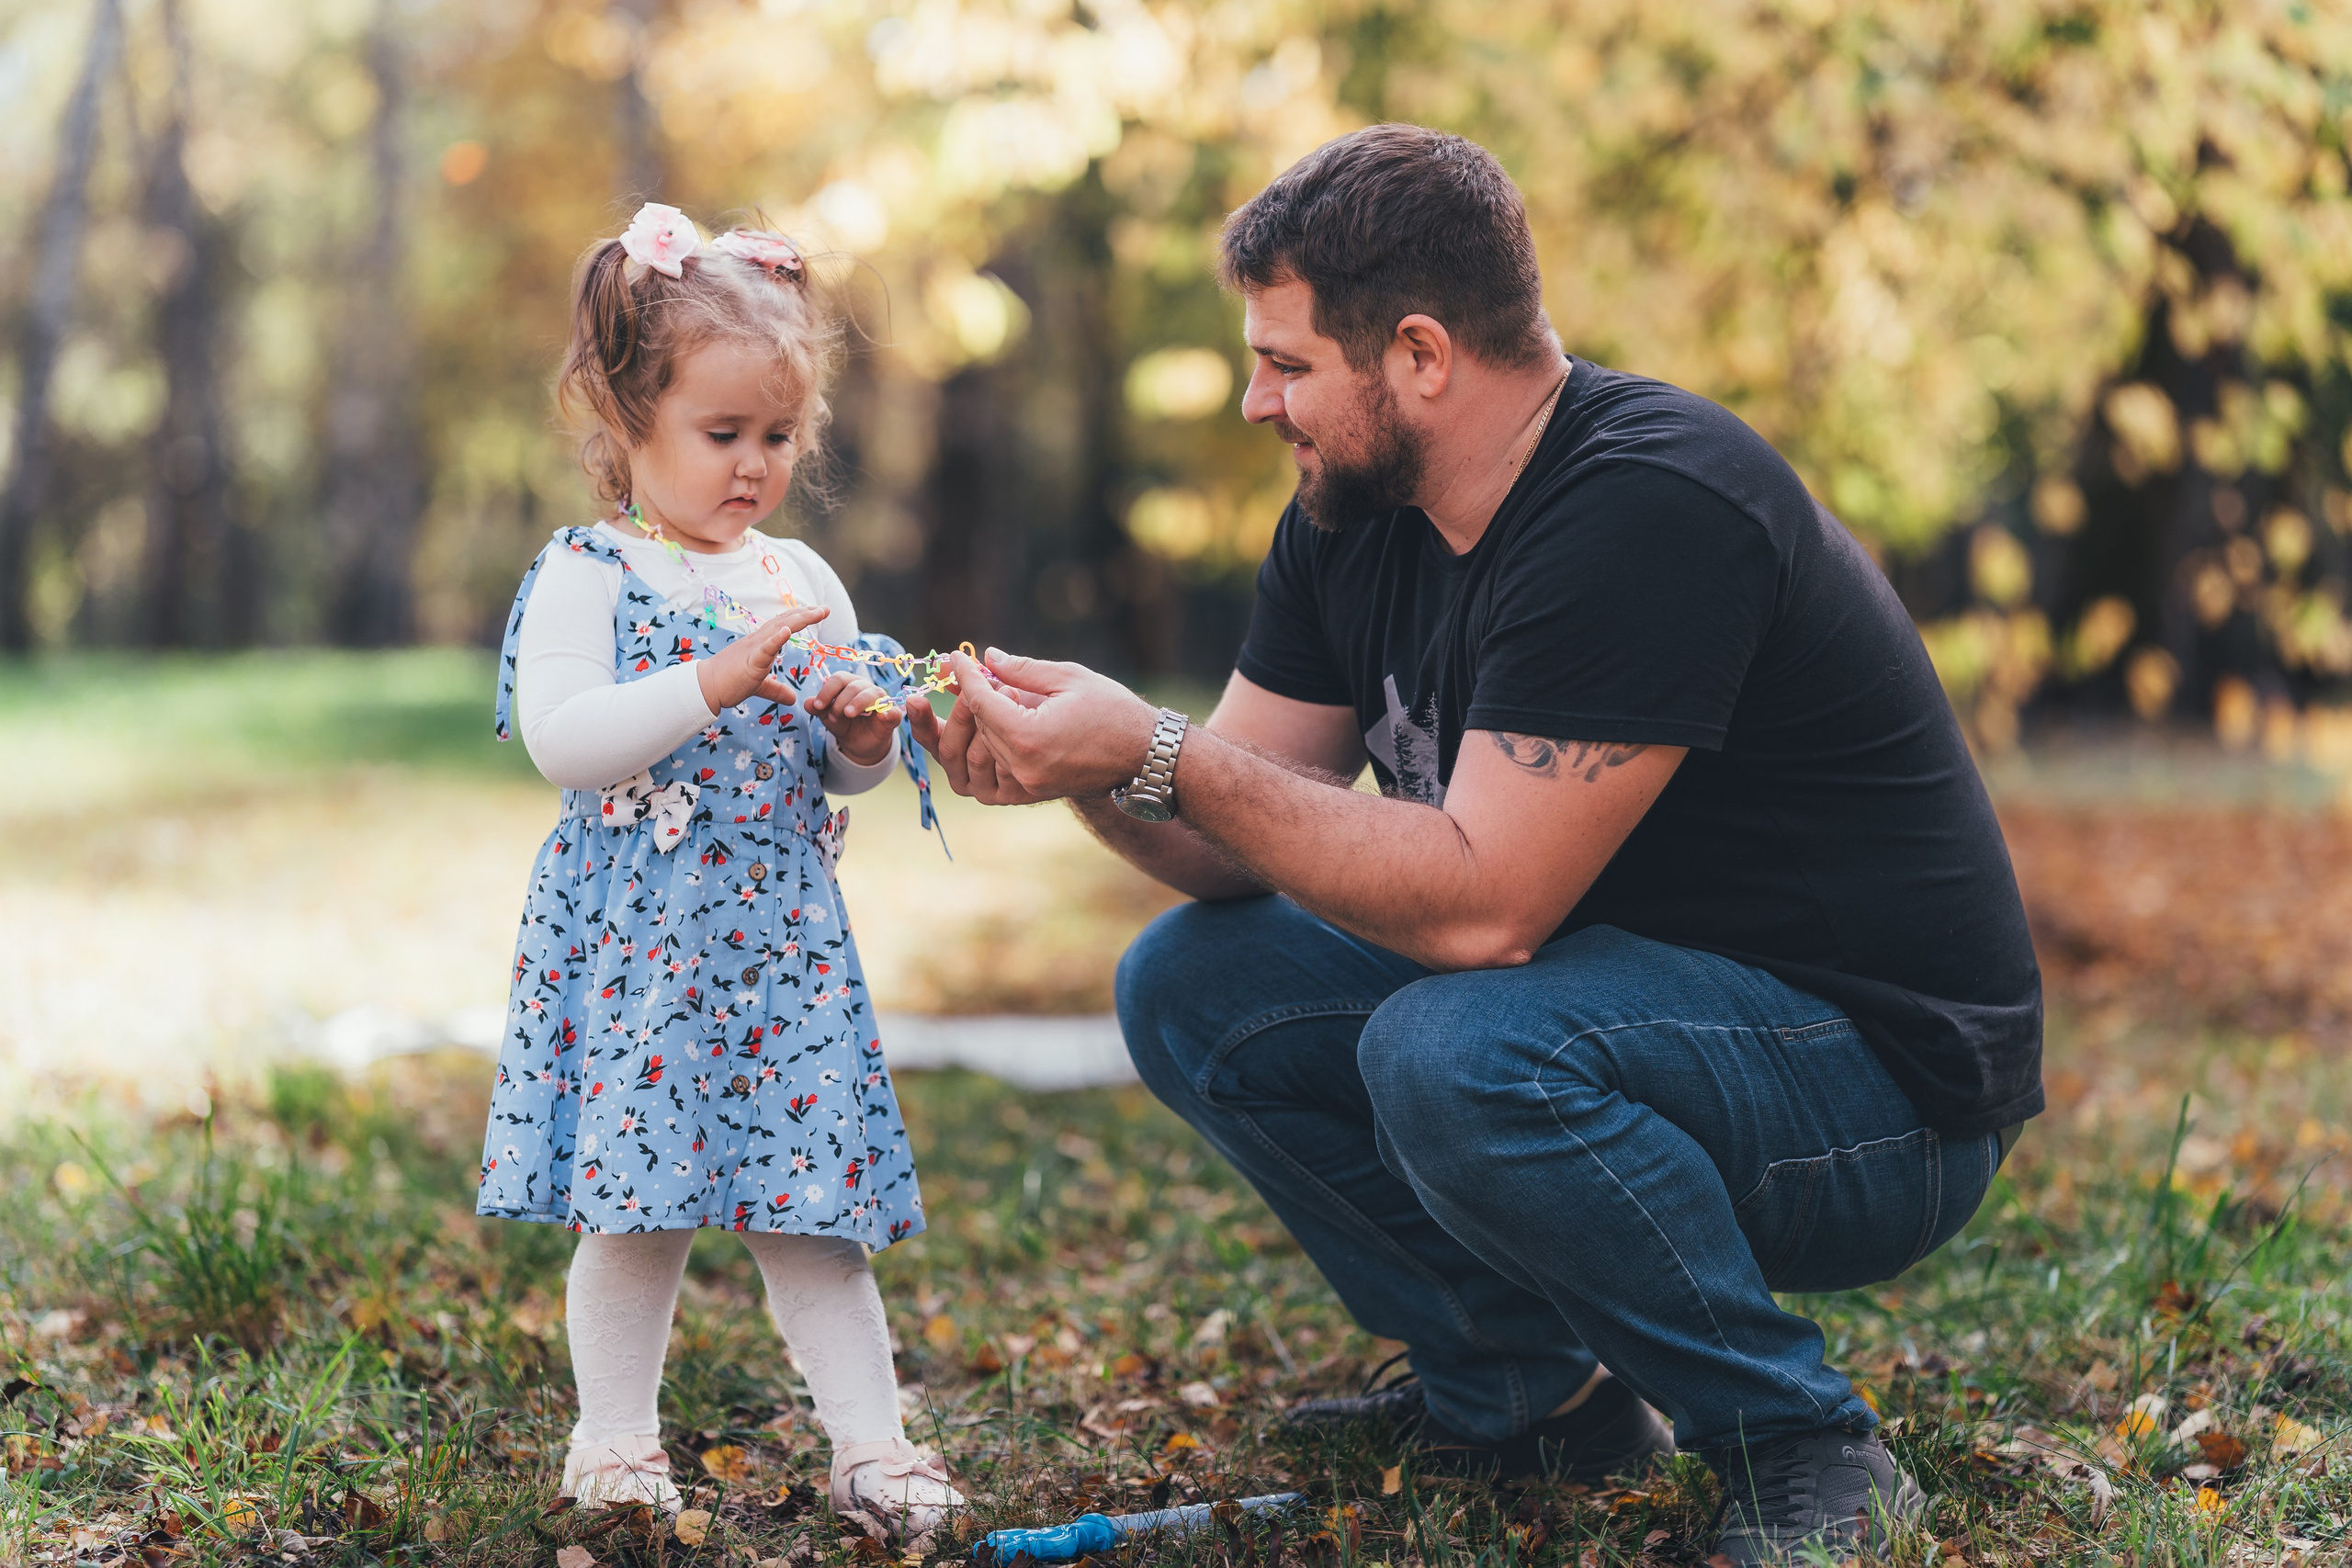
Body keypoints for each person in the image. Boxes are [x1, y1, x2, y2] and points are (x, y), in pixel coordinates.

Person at [907, 127, 2041, 1565]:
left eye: (1288, 363)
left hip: (1876, 1093)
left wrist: (1151, 745)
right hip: (1624, 1016)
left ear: (1423, 356)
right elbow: (1227, 845)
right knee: (1192, 982)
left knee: (1452, 1045)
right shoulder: (1353, 516)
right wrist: (1061, 762)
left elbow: (1483, 914)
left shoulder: (1648, 502)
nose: (1259, 402)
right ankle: (1529, 1397)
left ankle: (1804, 1446)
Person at [475, 203, 959, 1536]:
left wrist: (860, 737)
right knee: (635, 1213)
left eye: (777, 437)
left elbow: (836, 769)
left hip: (781, 950)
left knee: (814, 1214)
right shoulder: (589, 570)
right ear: (628, 418)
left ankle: (873, 1442)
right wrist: (714, 676)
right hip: (643, 943)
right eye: (722, 434)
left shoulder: (797, 574)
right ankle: (617, 1442)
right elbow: (567, 743)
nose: (755, 467)